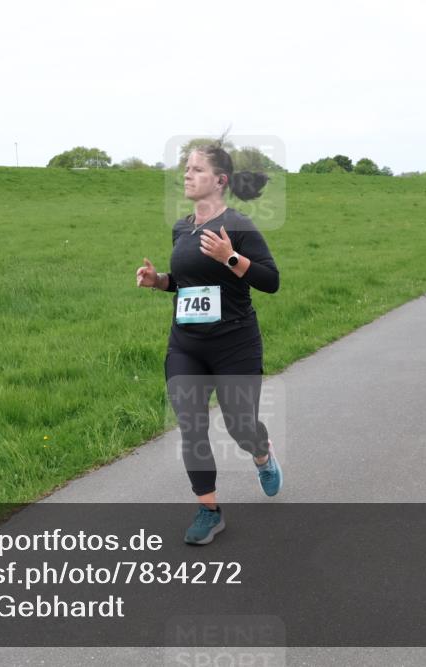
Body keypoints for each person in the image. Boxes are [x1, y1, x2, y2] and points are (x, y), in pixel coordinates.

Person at [136, 143, 281, 545]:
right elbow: (187, 283)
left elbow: (271, 281)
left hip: (235, 344)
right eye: (186, 168)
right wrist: (160, 281)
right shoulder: (182, 228)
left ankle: (261, 450)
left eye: (196, 169)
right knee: (191, 425)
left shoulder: (238, 225)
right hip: (186, 345)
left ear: (220, 181)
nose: (187, 175)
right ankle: (208, 510)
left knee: (240, 426)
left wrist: (230, 257)